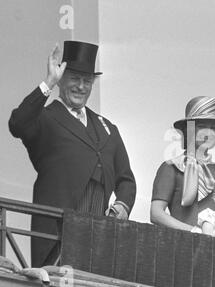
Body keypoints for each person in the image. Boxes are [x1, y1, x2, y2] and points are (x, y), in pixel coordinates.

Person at [9, 41, 136, 267]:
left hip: (99, 238)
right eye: (74, 79)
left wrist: (121, 206)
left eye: (87, 81)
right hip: (57, 236)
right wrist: (48, 82)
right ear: (61, 79)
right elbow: (18, 124)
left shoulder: (107, 127)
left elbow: (126, 179)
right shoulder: (45, 118)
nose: (81, 86)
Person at [150, 96, 215, 243]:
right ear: (188, 130)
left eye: (213, 128)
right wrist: (193, 231)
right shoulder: (172, 167)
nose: (208, 133)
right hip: (182, 244)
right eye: (201, 126)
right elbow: (156, 214)